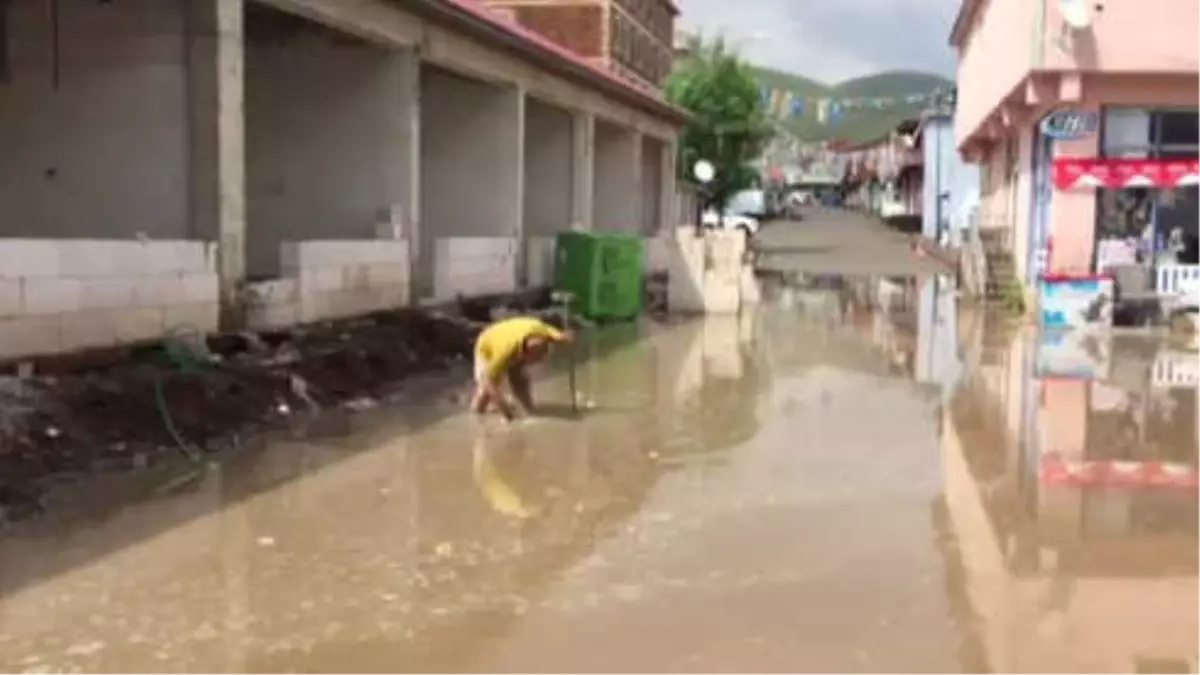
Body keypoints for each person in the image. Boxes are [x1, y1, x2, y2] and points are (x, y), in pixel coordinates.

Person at [470, 315, 573, 420]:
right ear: (525, 353)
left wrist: (564, 337)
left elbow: (556, 333)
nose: (541, 360)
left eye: (543, 354)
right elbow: (488, 381)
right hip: (487, 345)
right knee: (486, 391)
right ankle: (477, 414)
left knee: (520, 377)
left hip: (512, 335)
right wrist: (505, 410)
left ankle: (528, 409)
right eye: (537, 358)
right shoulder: (504, 353)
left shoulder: (542, 331)